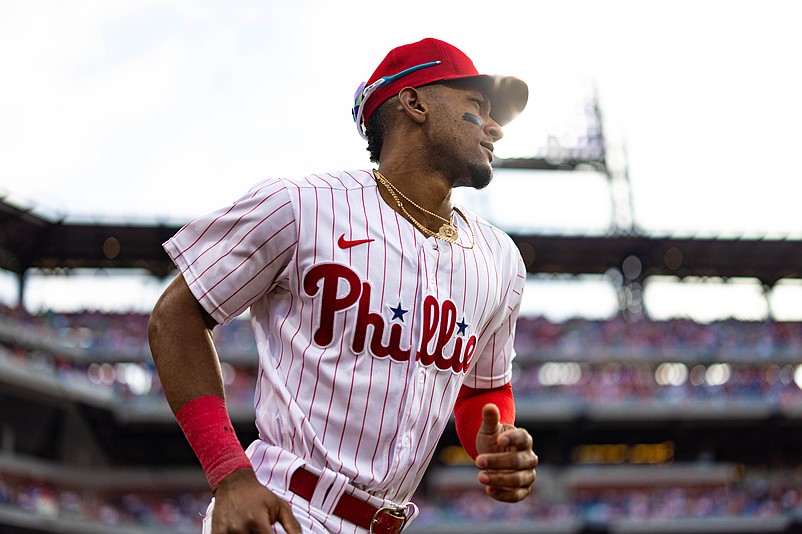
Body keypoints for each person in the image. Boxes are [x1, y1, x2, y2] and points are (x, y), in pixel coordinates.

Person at [148, 37, 538, 534]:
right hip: (284, 509)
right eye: (476, 105)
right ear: (414, 102)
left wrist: (496, 441)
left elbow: (483, 389)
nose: (496, 128)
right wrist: (228, 473)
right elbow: (175, 316)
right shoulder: (300, 206)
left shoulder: (500, 259)